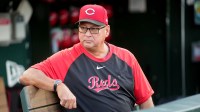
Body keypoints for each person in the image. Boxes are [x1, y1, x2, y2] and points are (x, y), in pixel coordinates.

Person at [19, 4, 154, 112]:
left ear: (106, 31)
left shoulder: (126, 57)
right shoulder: (67, 57)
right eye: (83, 28)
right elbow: (27, 75)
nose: (87, 34)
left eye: (94, 28)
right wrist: (58, 85)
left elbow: (145, 101)